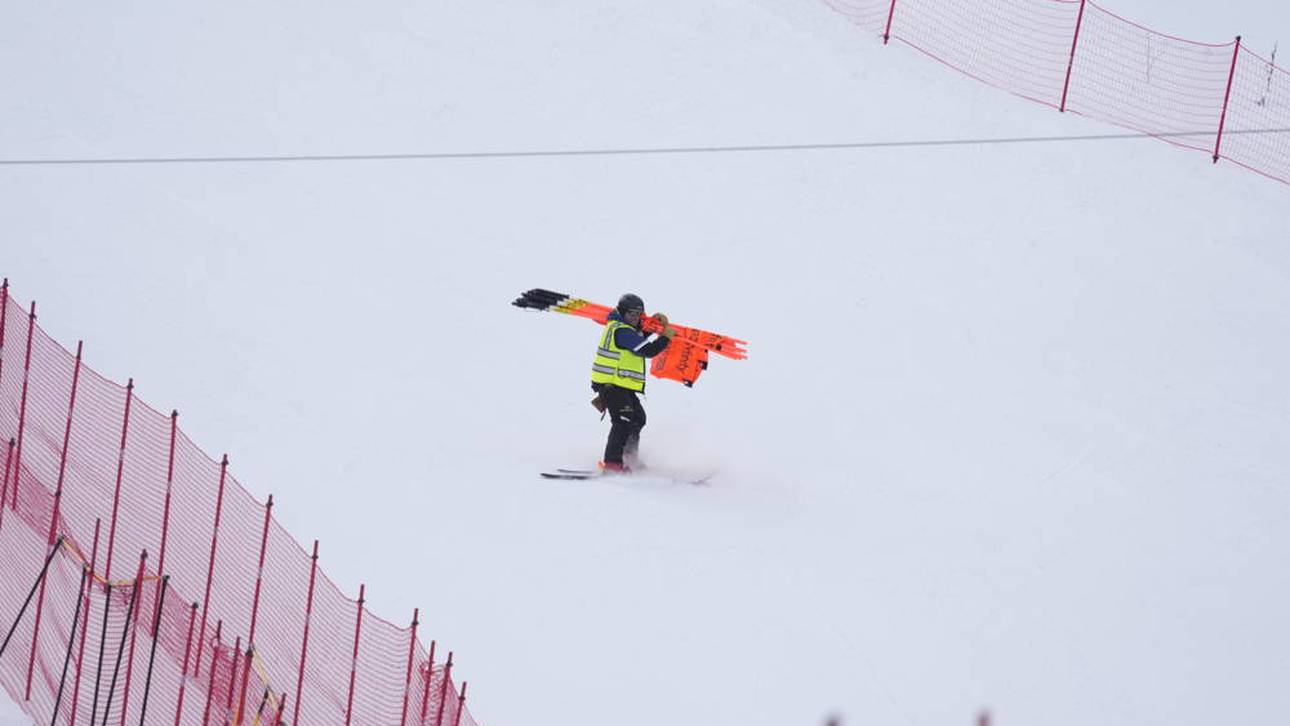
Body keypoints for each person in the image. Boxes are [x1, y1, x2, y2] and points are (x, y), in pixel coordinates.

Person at [591, 293, 676, 473]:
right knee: (623, 421)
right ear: (622, 313)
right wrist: (666, 337)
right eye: (631, 314)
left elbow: (637, 337)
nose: (635, 318)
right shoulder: (621, 331)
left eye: (639, 315)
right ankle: (613, 464)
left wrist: (654, 326)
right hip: (611, 384)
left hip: (621, 384)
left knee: (637, 419)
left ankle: (629, 457)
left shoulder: (625, 329)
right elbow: (647, 349)